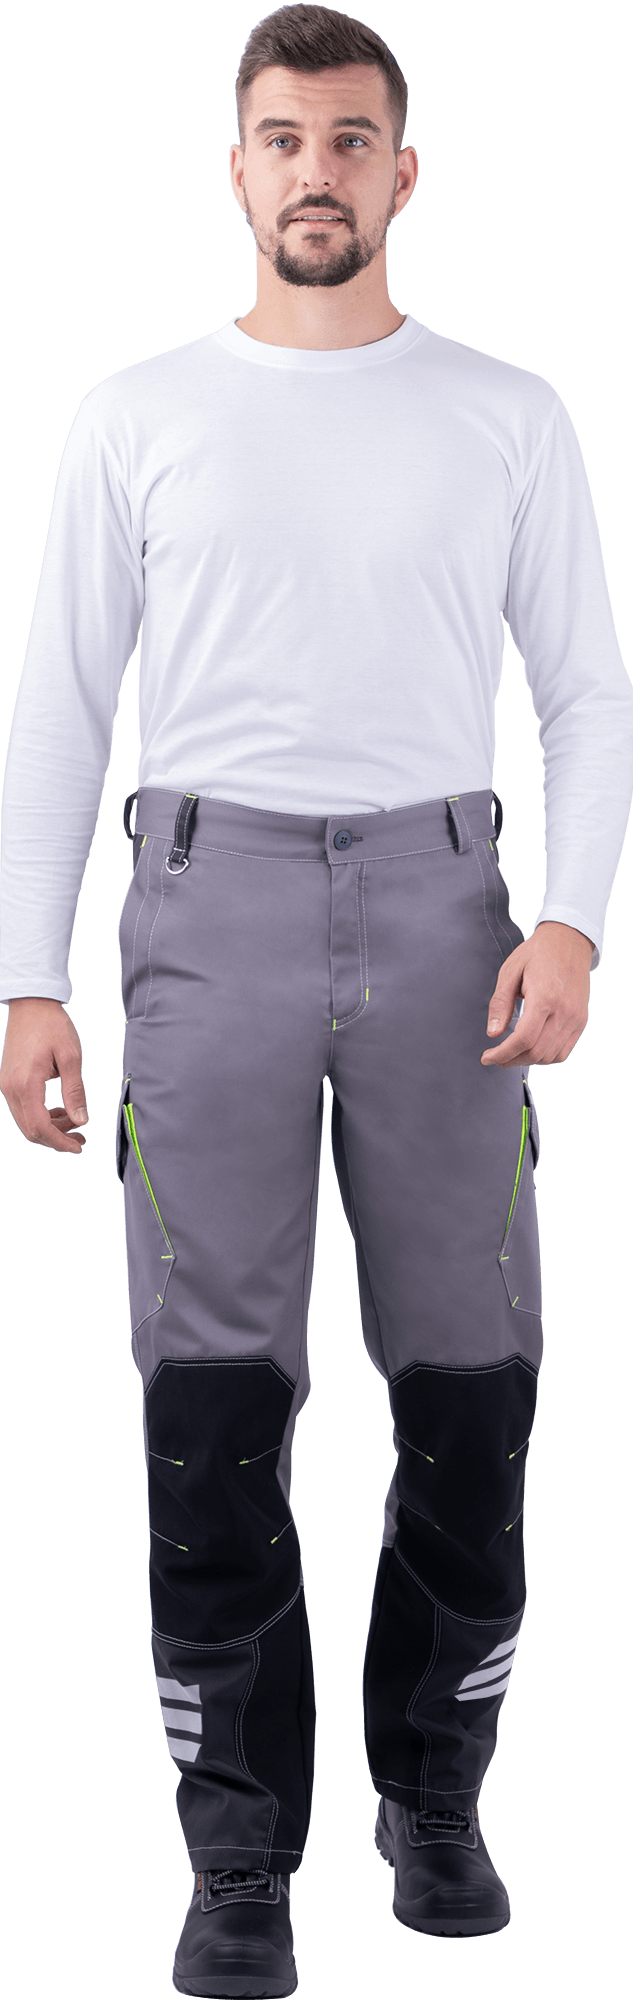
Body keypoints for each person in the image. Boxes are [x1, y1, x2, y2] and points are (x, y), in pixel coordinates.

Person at [1, 5, 632, 1987]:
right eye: (282, 137)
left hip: (454, 915)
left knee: (471, 1386)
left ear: (403, 174)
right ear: (235, 171)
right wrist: (28, 977)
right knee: (209, 1406)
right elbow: (61, 705)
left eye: (351, 139)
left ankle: (436, 1800)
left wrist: (573, 920)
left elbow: (587, 691)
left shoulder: (505, 414)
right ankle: (239, 1858)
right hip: (210, 910)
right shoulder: (136, 417)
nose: (316, 171)